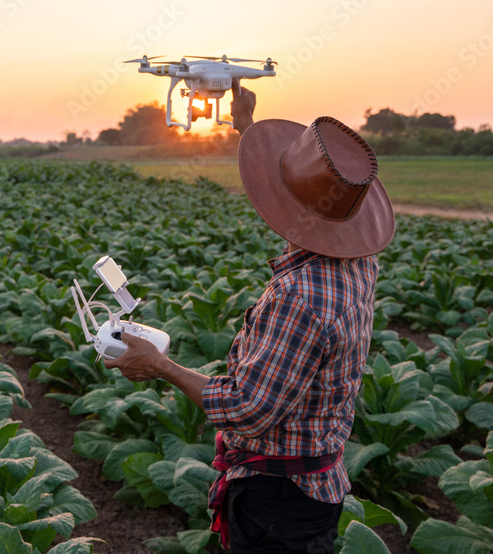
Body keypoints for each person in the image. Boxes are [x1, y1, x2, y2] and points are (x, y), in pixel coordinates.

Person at [105, 83, 396, 553]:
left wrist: (159, 366)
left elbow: (247, 410)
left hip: (277, 504)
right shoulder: (359, 261)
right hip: (315, 484)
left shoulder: (300, 297)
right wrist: (246, 125)